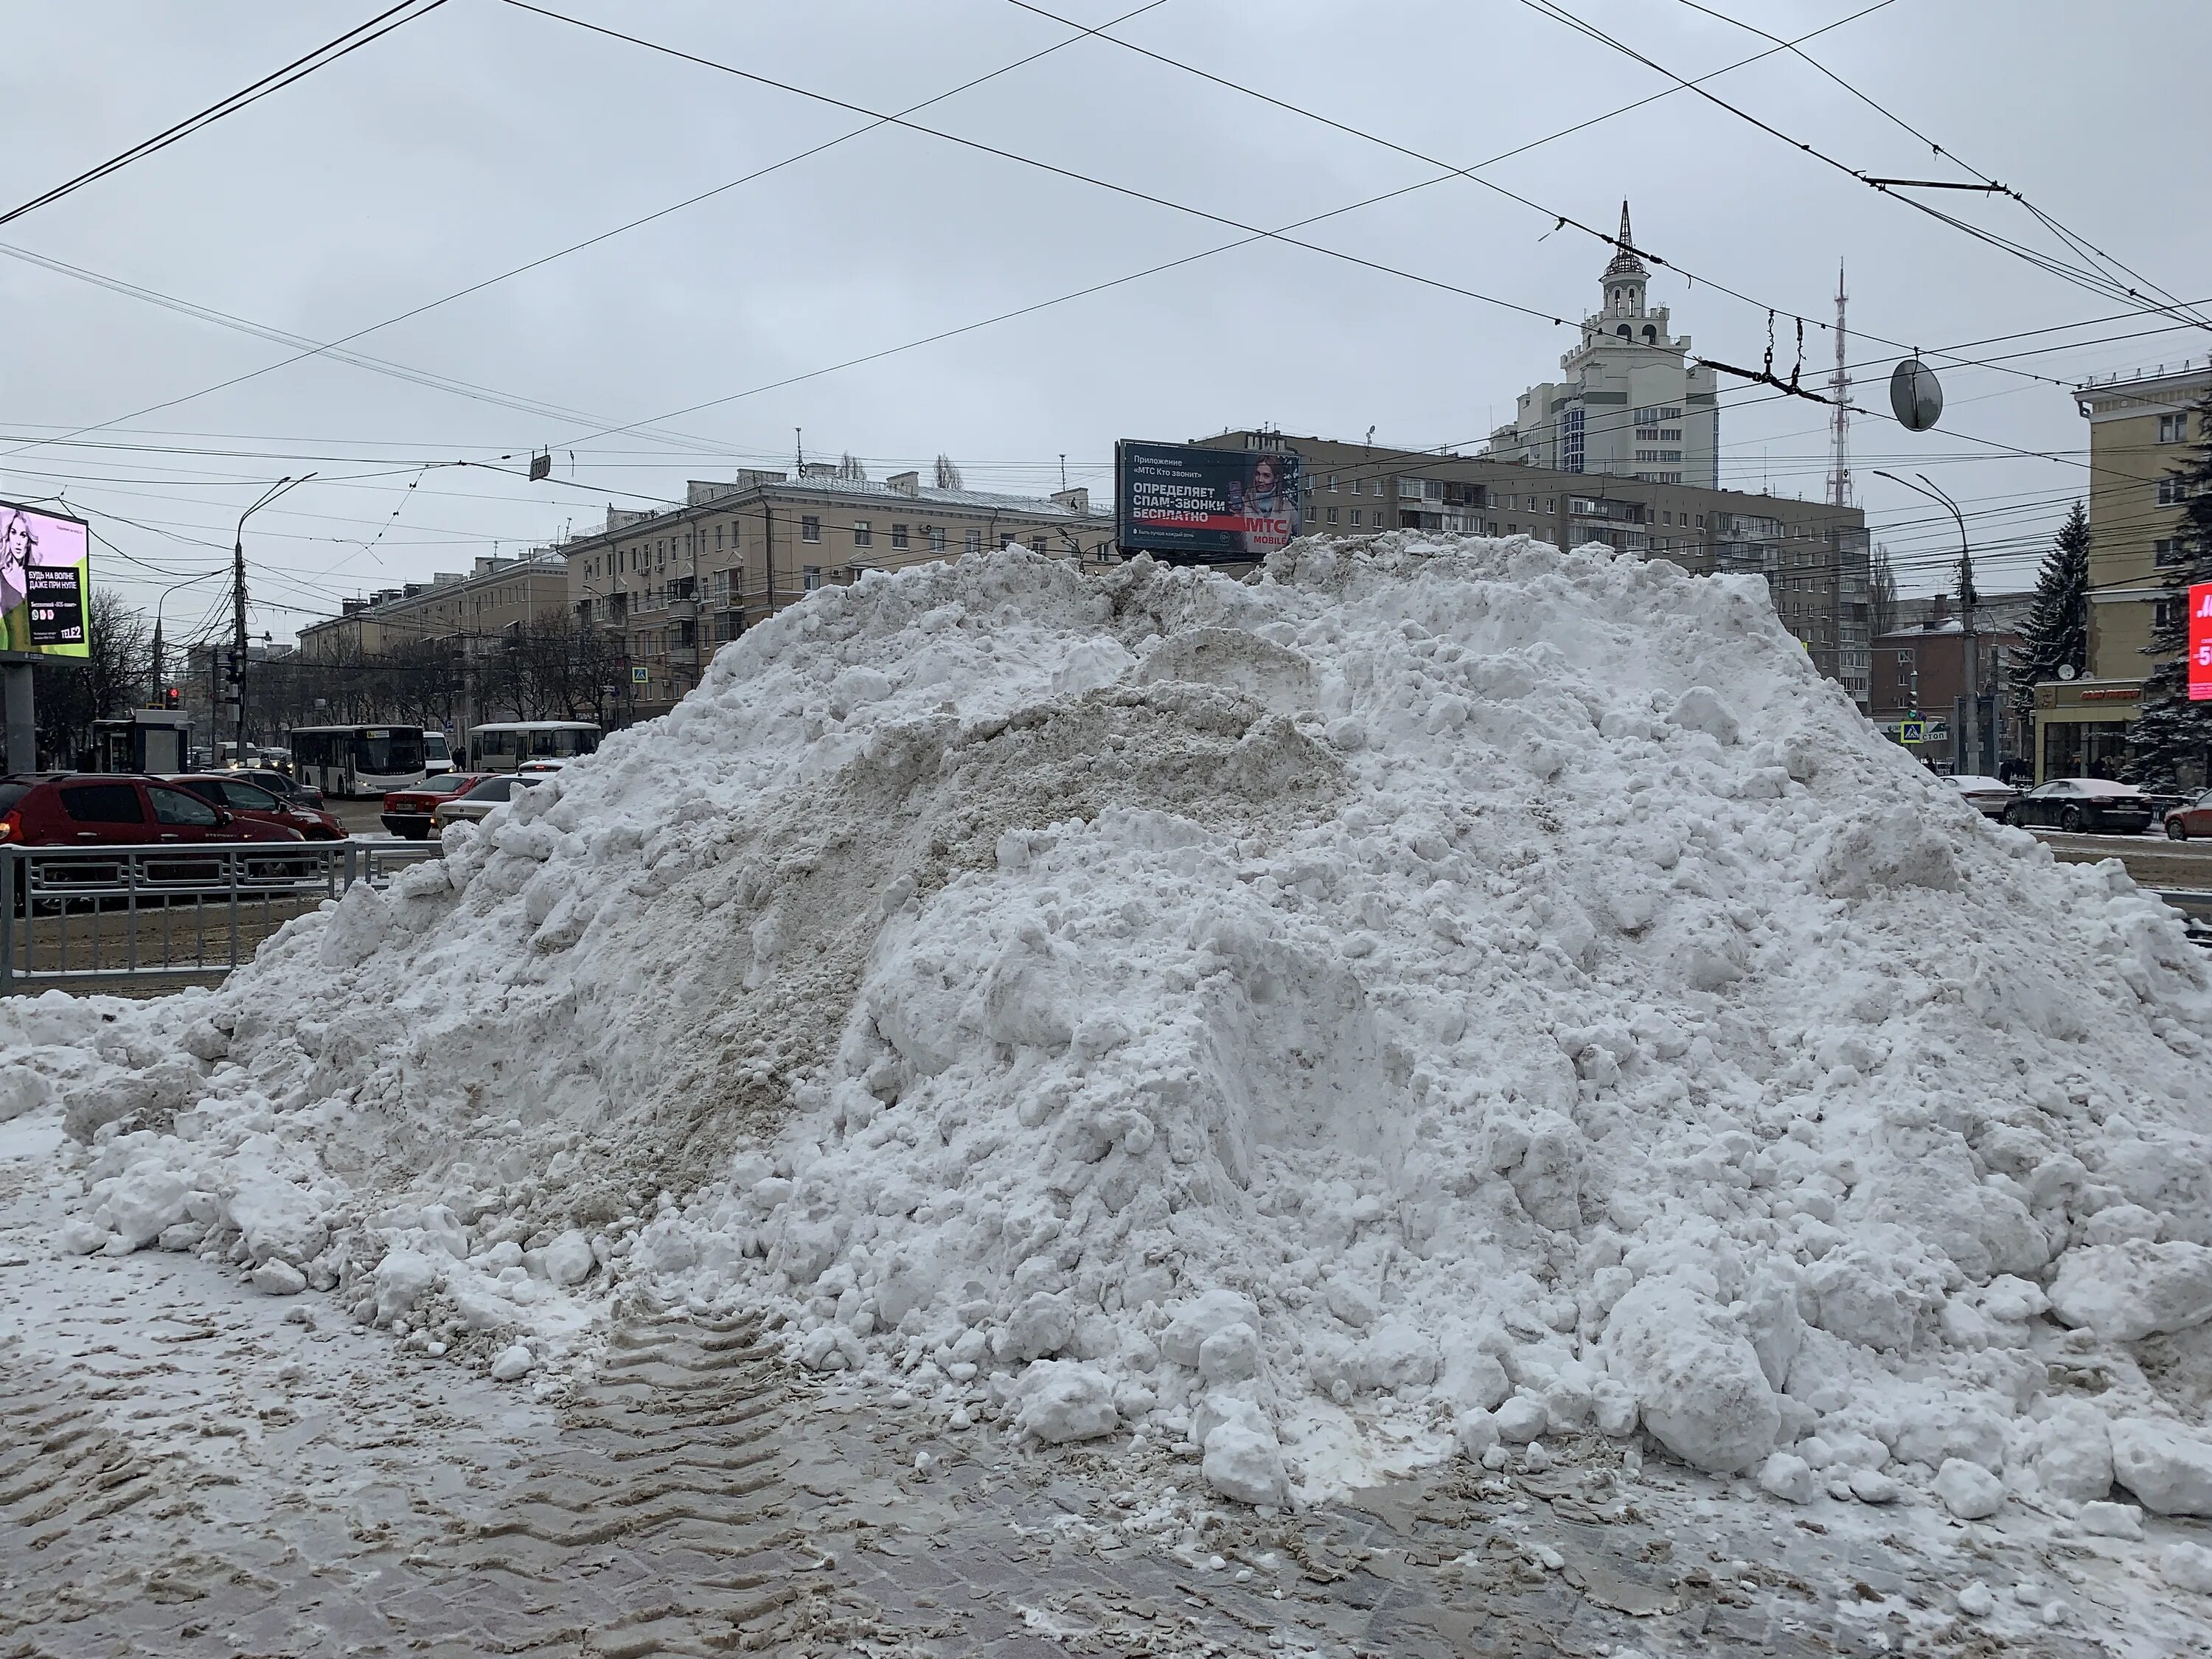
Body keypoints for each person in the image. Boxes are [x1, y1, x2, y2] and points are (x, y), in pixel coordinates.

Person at [1, 510, 34, 653]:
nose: (18, 541)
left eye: (23, 535)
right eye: (14, 533)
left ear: (28, 541)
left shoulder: (36, 577)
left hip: (43, 664)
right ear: (7, 537)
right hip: (10, 658)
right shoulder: (1, 579)